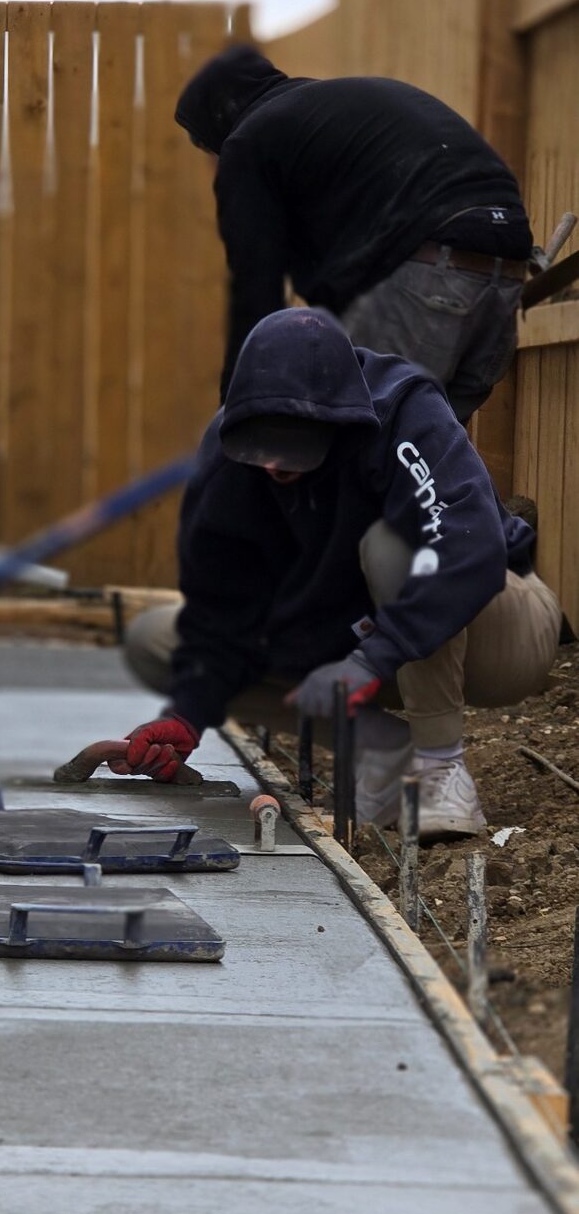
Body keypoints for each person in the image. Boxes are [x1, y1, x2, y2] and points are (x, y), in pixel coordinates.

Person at [111, 308, 561, 840]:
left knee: (394, 546)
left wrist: (372, 658)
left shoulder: (400, 411)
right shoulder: (228, 456)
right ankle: (387, 750)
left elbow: (469, 546)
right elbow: (221, 605)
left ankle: (443, 770)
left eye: (296, 445)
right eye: (266, 446)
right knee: (155, 638)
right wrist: (188, 715)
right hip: (361, 642)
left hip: (499, 634)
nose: (276, 465)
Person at [175, 45, 534, 422]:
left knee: (353, 445)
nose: (211, 168)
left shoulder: (248, 141)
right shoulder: (326, 117)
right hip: (506, 269)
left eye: (207, 151)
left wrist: (239, 408)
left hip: (429, 275)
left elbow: (254, 293)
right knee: (425, 458)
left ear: (218, 121)